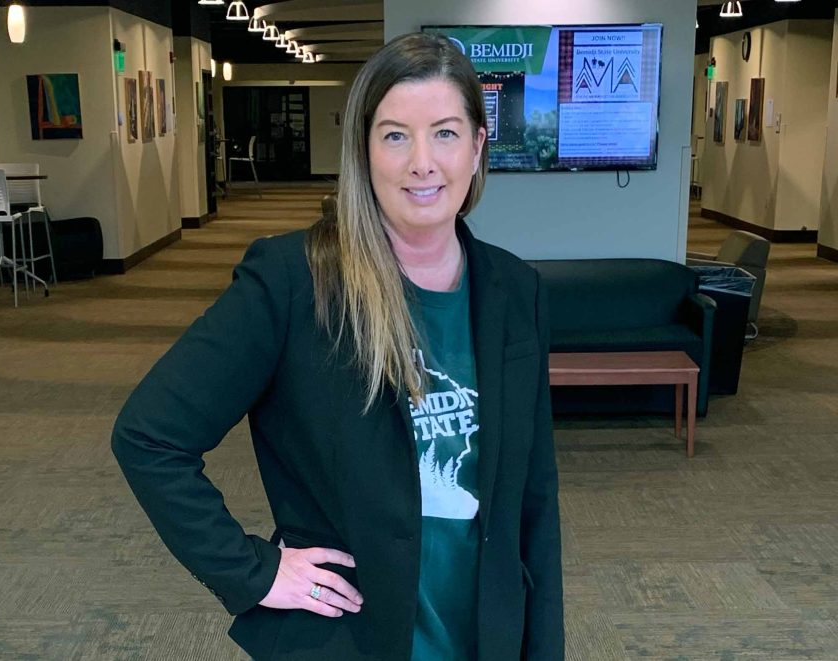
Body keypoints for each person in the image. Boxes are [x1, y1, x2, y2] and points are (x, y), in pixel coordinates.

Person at [112, 31, 564, 660]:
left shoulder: (515, 290)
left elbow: (534, 503)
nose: (422, 163)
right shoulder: (292, 282)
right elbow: (149, 435)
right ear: (364, 149)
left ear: (479, 145)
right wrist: (254, 571)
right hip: (349, 637)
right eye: (395, 135)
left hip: (486, 635)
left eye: (446, 132)